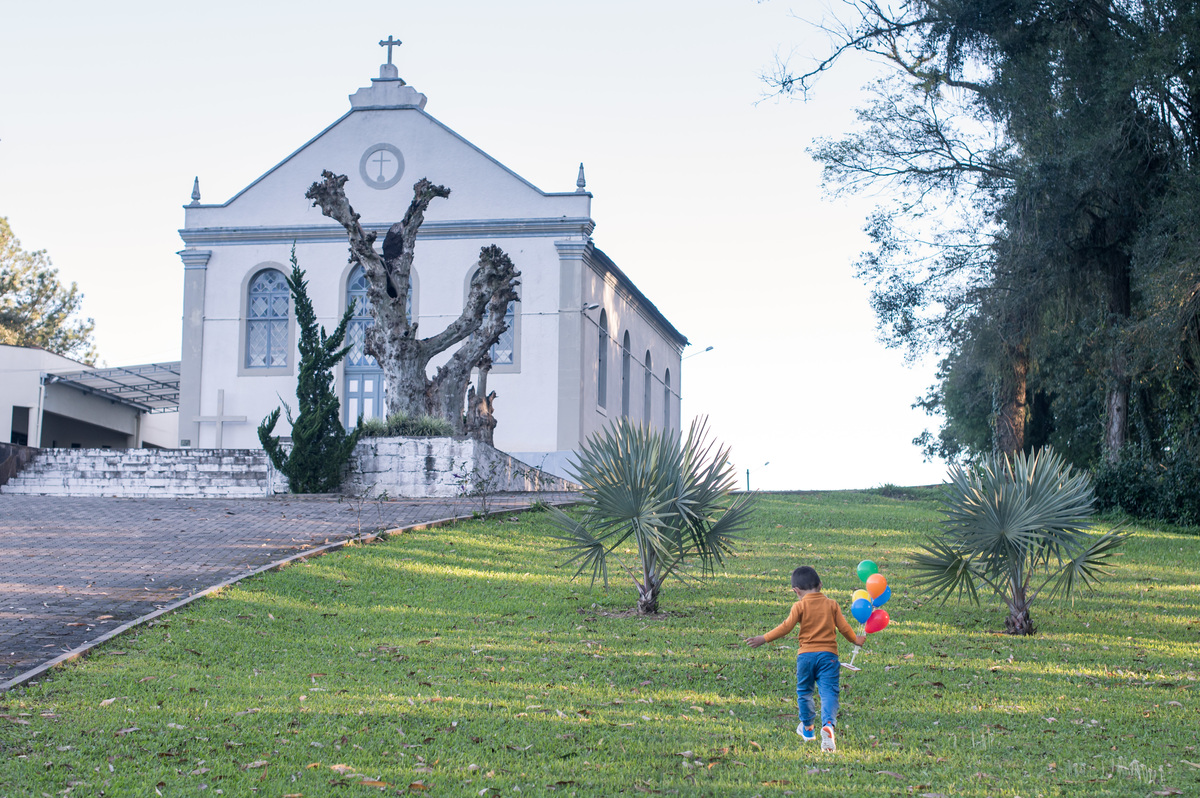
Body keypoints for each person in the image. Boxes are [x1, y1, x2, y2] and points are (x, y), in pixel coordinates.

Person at [744, 565, 865, 752]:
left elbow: (786, 627)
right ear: (821, 585)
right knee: (829, 693)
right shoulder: (832, 604)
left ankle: (808, 729)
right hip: (829, 657)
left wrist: (763, 638)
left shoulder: (799, 605)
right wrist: (856, 639)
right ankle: (829, 725)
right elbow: (844, 628)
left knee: (804, 692)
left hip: (806, 657)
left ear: (796, 591)